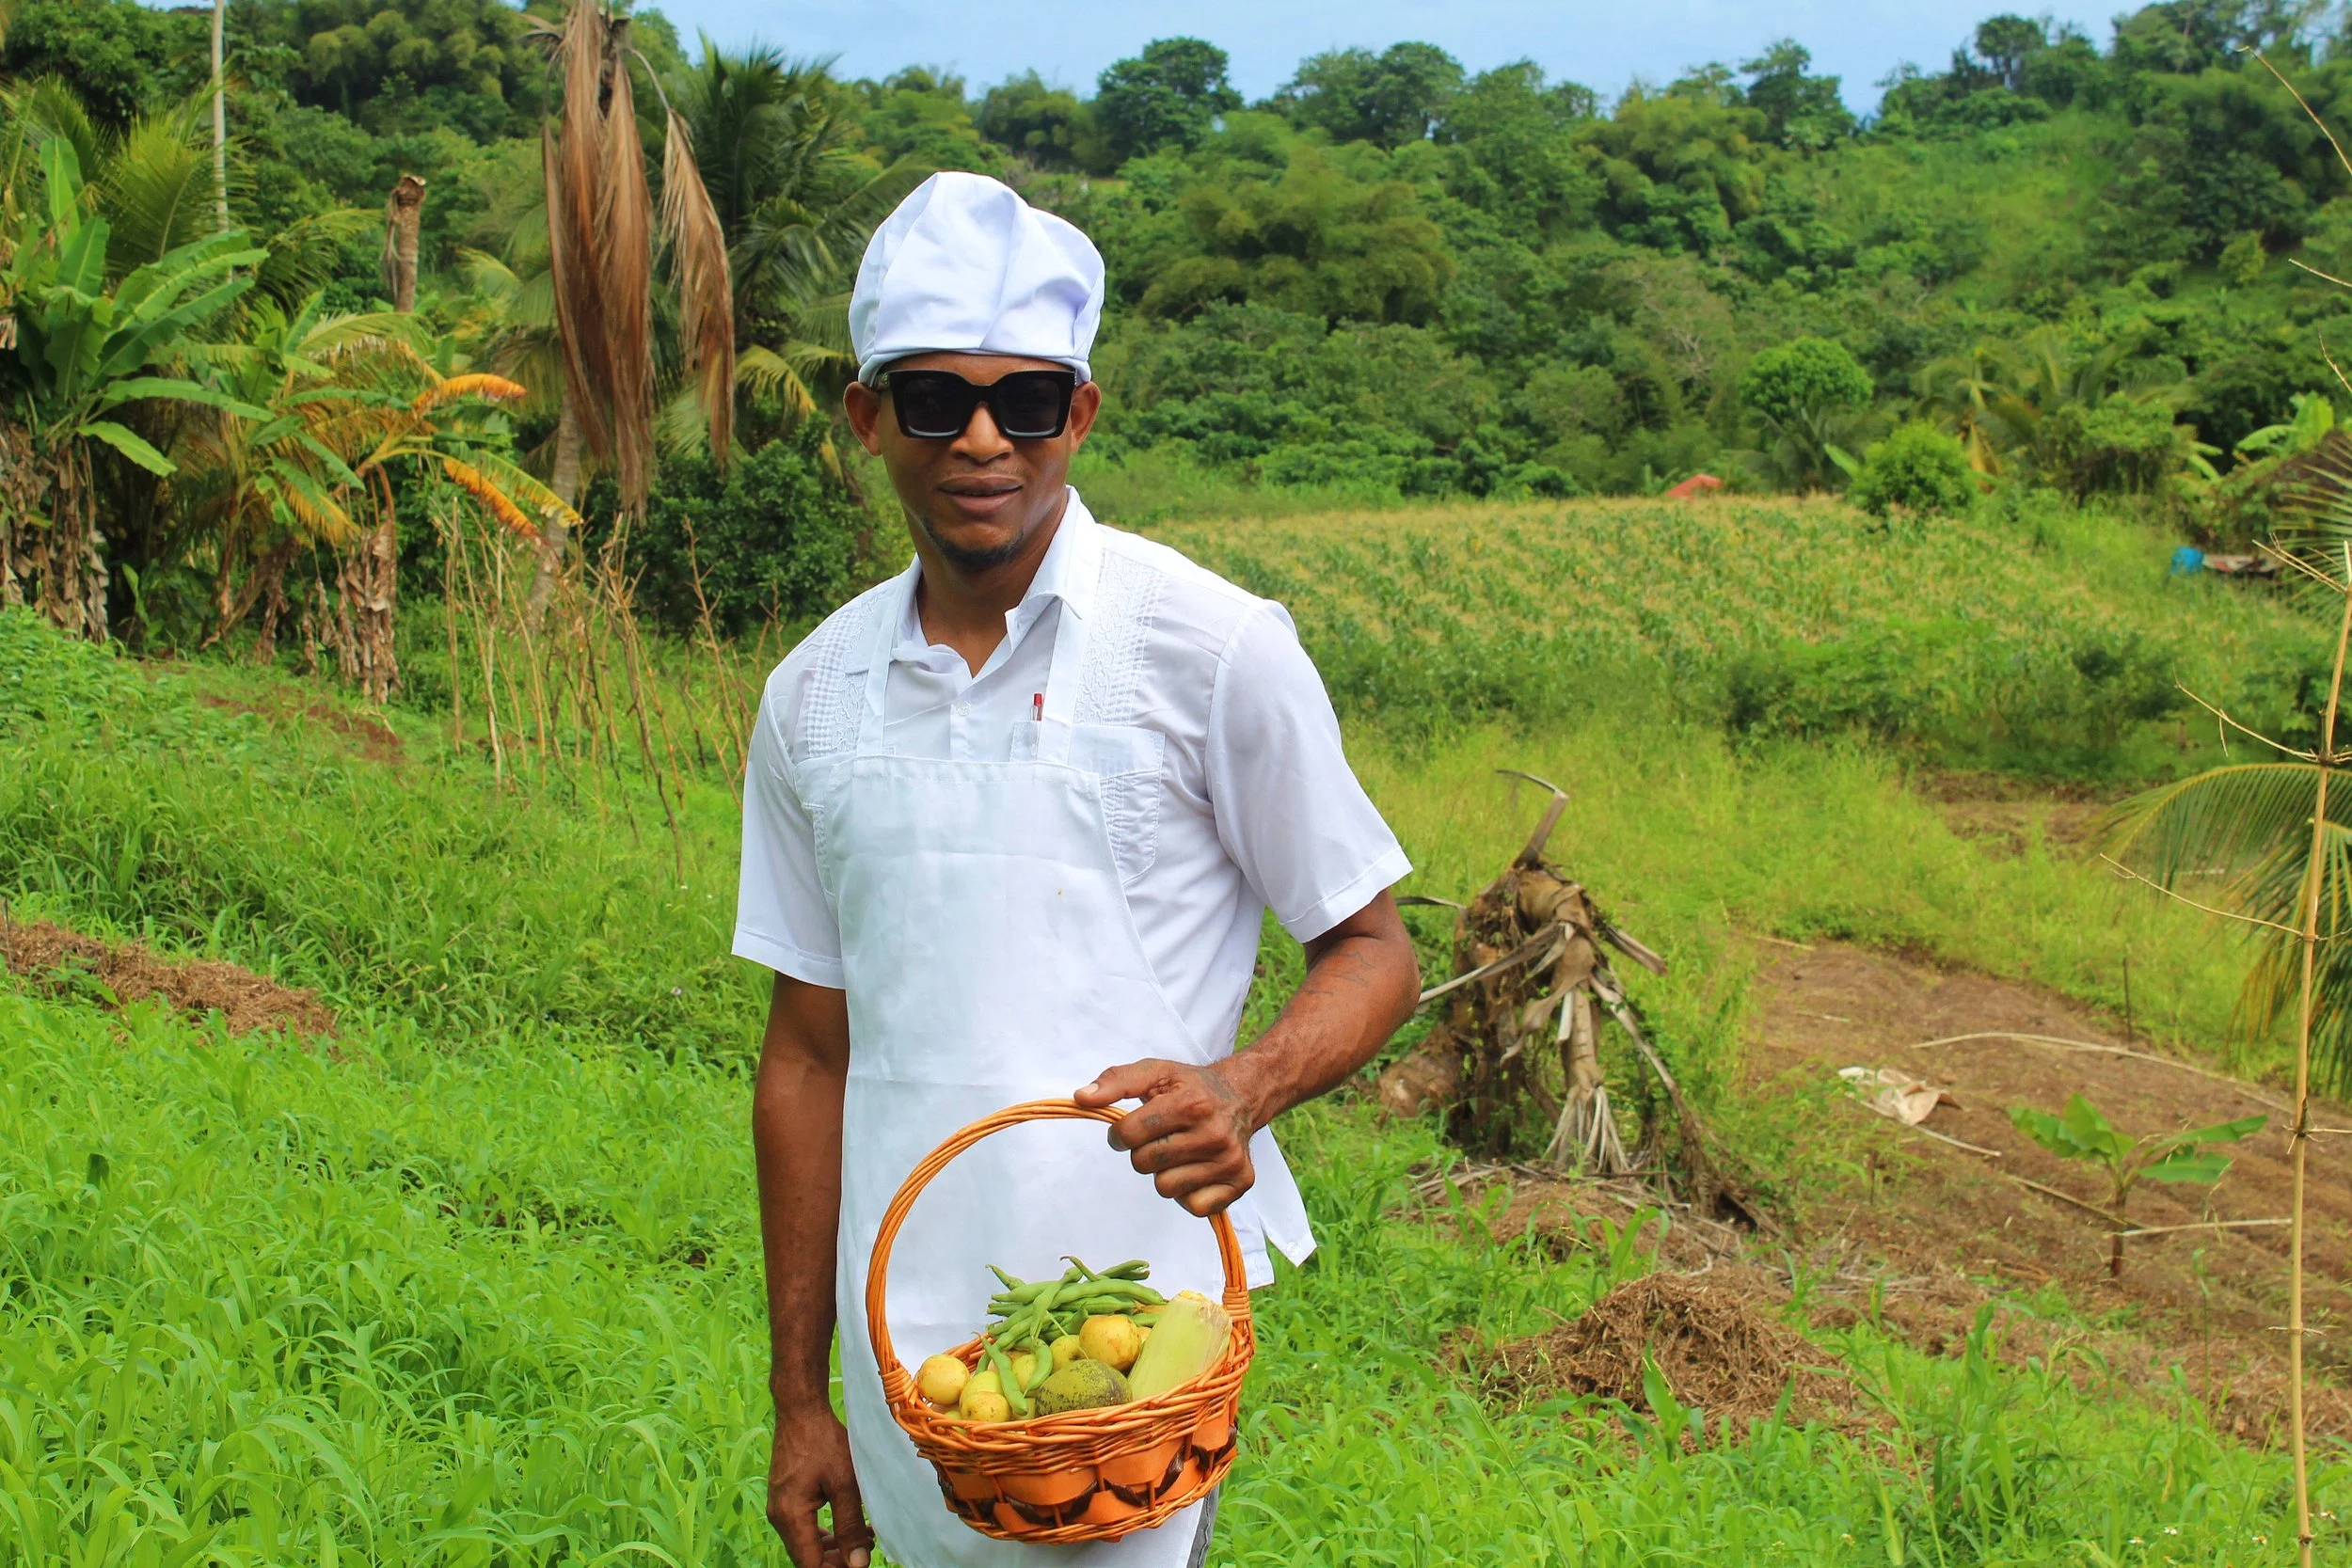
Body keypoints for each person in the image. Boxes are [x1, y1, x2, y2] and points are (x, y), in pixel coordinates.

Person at [738, 172, 1422, 1568]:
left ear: (1082, 415)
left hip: (1128, 1366)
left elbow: (1373, 947)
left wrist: (1246, 1086)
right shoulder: (811, 698)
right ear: (869, 420)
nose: (985, 439)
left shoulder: (1212, 649)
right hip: (905, 1359)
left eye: (1028, 400)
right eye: (935, 399)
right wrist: (805, 1395)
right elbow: (807, 1057)